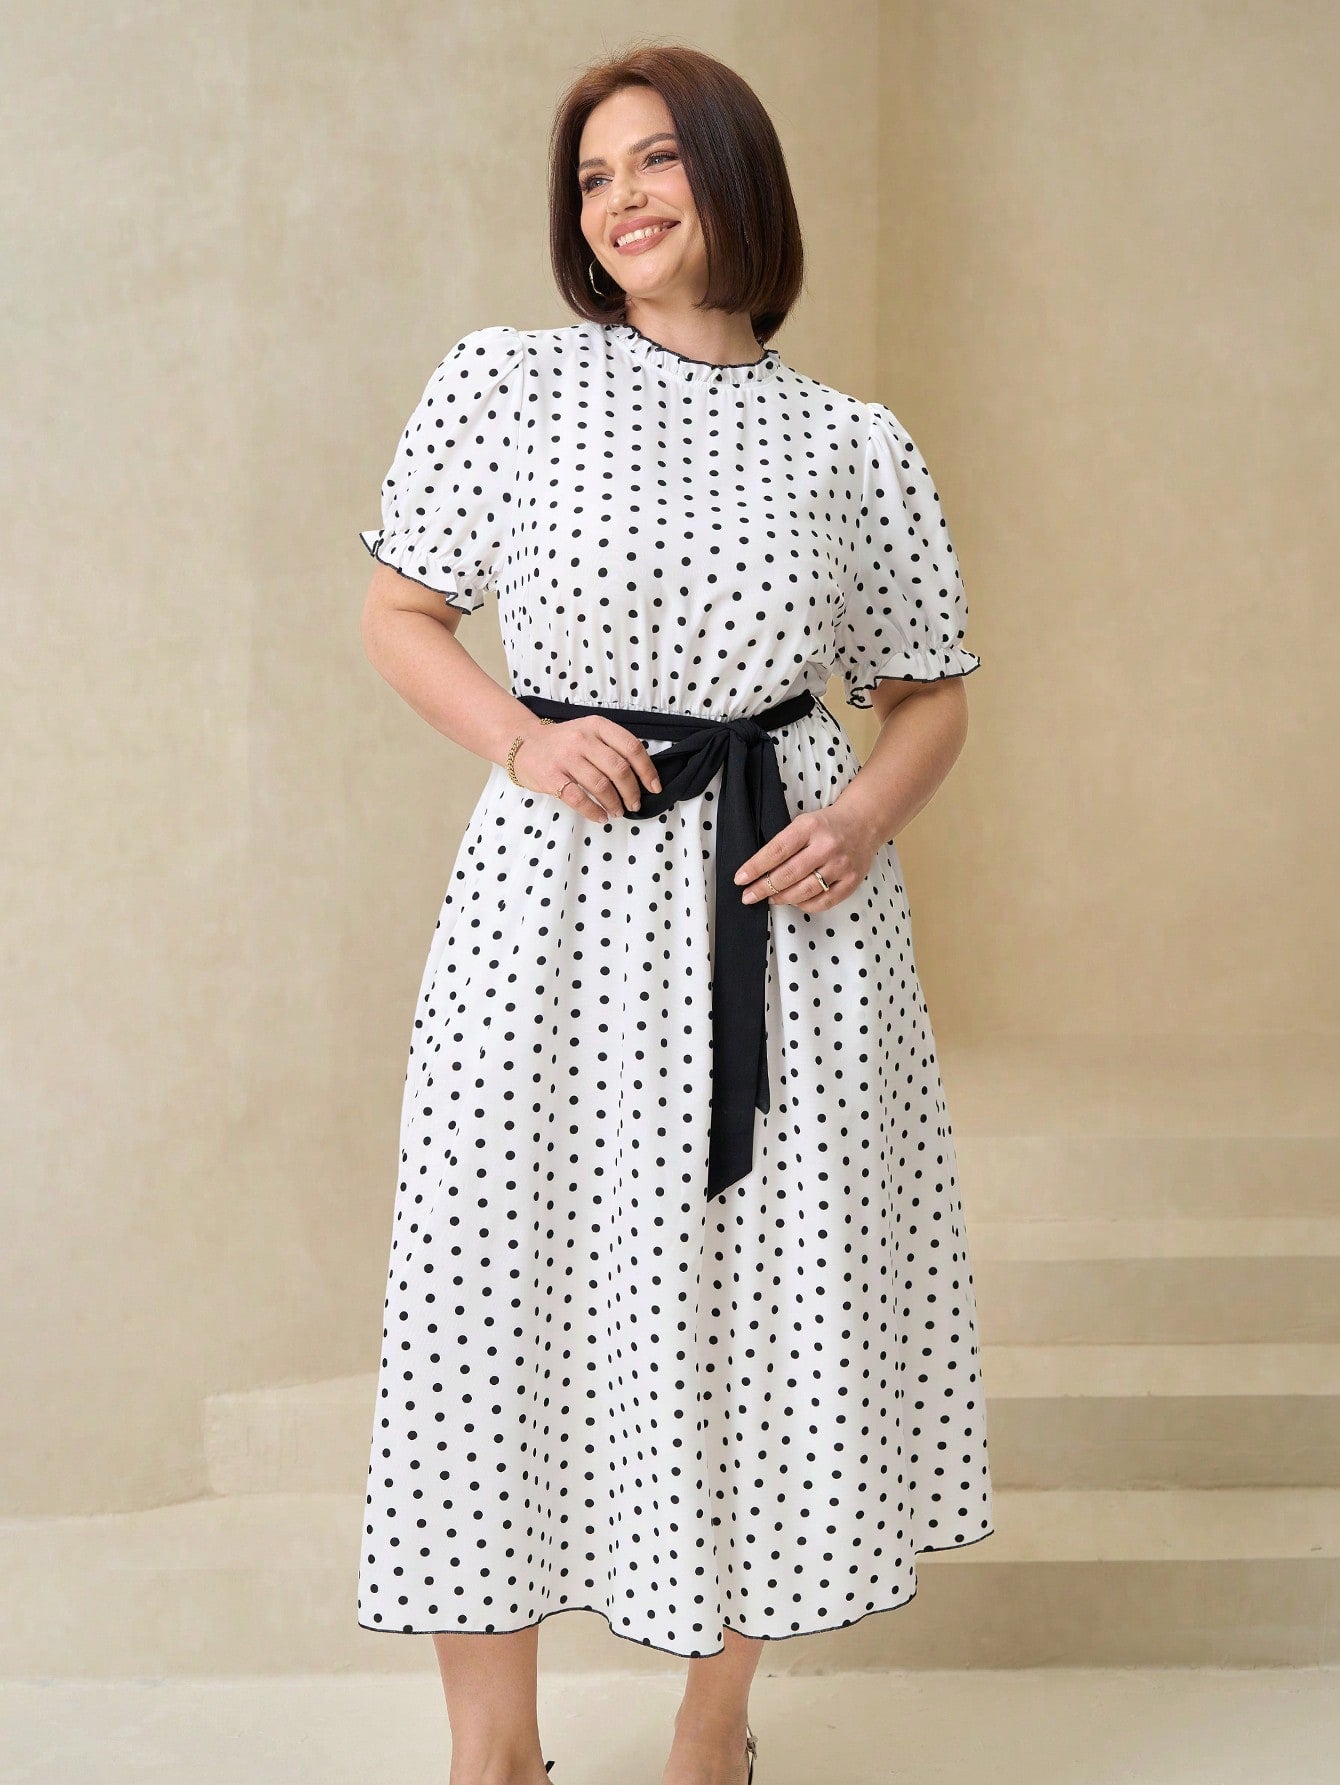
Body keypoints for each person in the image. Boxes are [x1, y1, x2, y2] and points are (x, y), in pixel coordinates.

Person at [356, 41, 994, 1785]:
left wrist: (864, 812)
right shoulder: (507, 381)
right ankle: (495, 1757)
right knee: (491, 1289)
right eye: (591, 176)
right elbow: (400, 612)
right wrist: (521, 736)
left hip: (786, 915)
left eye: (655, 160)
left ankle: (712, 1735)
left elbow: (929, 693)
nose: (619, 199)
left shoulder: (854, 441)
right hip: (553, 907)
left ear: (736, 177)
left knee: (760, 1295)